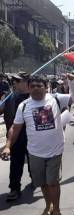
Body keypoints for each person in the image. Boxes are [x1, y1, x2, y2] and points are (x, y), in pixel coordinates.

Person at [1, 76, 71, 215]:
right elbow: (15, 127)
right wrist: (7, 145)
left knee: (52, 182)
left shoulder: (56, 98)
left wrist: (72, 82)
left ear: (46, 87)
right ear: (28, 88)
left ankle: (57, 212)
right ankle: (48, 207)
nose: (35, 88)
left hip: (55, 151)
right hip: (34, 152)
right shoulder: (24, 106)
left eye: (39, 85)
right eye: (32, 86)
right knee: (43, 184)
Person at [0, 72, 32, 201]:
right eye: (13, 80)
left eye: (18, 81)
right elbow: (1, 110)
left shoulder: (35, 96)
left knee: (33, 163)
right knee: (15, 163)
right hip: (14, 136)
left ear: (26, 82)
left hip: (32, 137)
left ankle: (35, 178)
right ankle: (14, 188)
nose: (14, 83)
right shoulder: (9, 97)